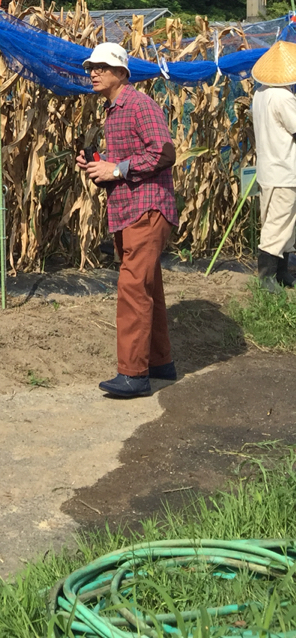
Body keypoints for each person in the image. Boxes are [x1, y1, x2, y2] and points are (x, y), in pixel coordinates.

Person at [76, 42, 179, 399]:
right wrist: (100, 166)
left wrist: (115, 168)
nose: (93, 73)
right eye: (91, 67)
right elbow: (129, 159)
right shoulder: (113, 109)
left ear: (121, 73)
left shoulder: (139, 104)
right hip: (130, 208)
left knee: (133, 289)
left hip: (147, 208)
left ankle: (134, 375)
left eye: (102, 67)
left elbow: (164, 151)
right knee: (148, 287)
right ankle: (160, 362)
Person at [249, 39, 296, 292]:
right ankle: (267, 277)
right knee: (278, 224)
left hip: (269, 168)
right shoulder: (284, 97)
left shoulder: (260, 93)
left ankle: (282, 272)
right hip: (285, 170)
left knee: (284, 223)